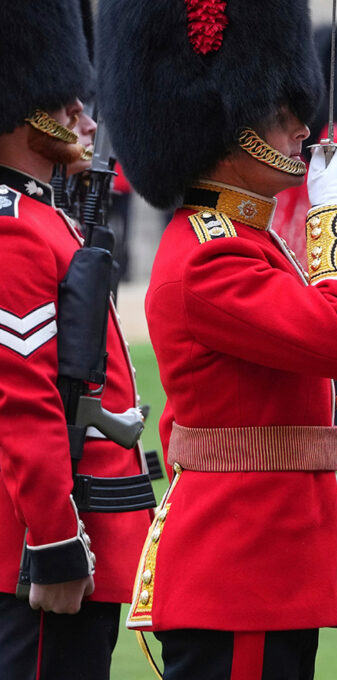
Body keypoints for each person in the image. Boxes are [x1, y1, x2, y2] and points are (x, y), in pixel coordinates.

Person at [96, 1, 337, 677]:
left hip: (264, 565)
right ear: (229, 129)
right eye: (279, 114)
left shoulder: (247, 240)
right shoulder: (212, 257)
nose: (301, 129)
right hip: (239, 570)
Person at [0, 1, 155, 678]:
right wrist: (56, 541)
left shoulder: (45, 218)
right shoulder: (15, 229)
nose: (87, 121)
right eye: (68, 108)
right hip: (39, 550)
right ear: (24, 113)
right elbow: (24, 400)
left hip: (76, 535)